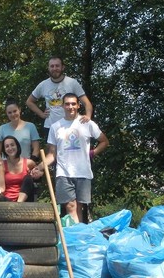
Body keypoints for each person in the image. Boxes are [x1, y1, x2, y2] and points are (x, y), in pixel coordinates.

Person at [34, 92, 109, 223]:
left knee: (80, 207)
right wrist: (40, 167)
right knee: (70, 206)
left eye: (73, 104)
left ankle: (77, 236)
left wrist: (93, 153)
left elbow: (104, 141)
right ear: (63, 106)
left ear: (78, 105)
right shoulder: (55, 127)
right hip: (63, 172)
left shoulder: (87, 123)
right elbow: (52, 154)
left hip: (83, 171)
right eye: (67, 104)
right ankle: (74, 233)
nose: (70, 107)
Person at [27, 57, 94, 131]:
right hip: (50, 127)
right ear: (48, 68)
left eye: (57, 66)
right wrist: (41, 114)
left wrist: (88, 117)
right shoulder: (43, 85)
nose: (54, 68)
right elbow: (29, 102)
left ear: (62, 67)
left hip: (70, 126)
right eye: (52, 66)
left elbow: (87, 103)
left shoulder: (72, 83)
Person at [0, 136, 37, 202]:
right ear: (4, 150)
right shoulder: (1, 165)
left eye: (12, 145)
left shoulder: (29, 163)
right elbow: (1, 188)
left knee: (28, 178)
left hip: (25, 201)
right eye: (7, 146)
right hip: (7, 200)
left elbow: (38, 176)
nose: (10, 148)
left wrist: (34, 175)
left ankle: (18, 204)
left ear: (17, 146)